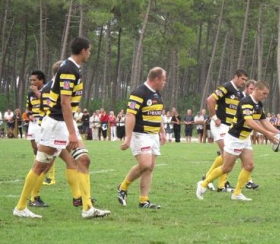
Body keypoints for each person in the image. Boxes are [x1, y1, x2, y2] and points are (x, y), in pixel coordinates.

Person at [13, 37, 110, 218]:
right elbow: (65, 103)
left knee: (84, 160)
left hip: (64, 123)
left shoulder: (72, 68)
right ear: (83, 51)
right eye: (89, 50)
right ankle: (20, 207)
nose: (90, 53)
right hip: (57, 124)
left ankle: (87, 208)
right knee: (40, 166)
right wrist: (72, 133)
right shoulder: (68, 69)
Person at [196, 81, 279, 200]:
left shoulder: (258, 104)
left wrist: (278, 132)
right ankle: (203, 184)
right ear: (256, 90)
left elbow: (264, 121)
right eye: (264, 93)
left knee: (249, 166)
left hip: (244, 138)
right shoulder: (246, 102)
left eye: (267, 94)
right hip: (235, 138)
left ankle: (236, 193)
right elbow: (250, 122)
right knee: (226, 168)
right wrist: (267, 134)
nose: (266, 96)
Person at [117, 67, 167, 209]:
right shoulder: (139, 93)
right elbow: (130, 115)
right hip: (141, 134)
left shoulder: (157, 94)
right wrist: (128, 137)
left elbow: (158, 114)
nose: (165, 82)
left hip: (153, 135)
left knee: (150, 167)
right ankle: (123, 186)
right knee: (145, 164)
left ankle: (144, 200)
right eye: (163, 79)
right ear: (156, 79)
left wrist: (162, 132)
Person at [202, 69, 248, 192]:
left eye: (245, 80)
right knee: (227, 152)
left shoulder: (238, 93)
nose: (244, 82)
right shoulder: (227, 87)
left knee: (228, 155)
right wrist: (214, 117)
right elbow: (210, 100)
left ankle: (217, 182)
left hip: (229, 127)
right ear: (236, 77)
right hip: (220, 125)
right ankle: (214, 181)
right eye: (242, 79)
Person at [26, 70, 46, 155]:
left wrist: (37, 92)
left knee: (44, 148)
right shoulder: (30, 94)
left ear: (41, 81)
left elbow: (48, 103)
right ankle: (38, 166)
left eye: (34, 80)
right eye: (31, 80)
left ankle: (45, 167)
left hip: (44, 121)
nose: (32, 82)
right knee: (35, 148)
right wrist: (29, 115)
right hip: (33, 123)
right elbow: (28, 109)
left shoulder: (47, 91)